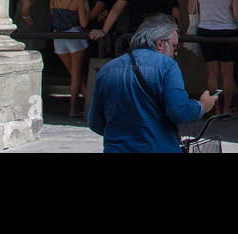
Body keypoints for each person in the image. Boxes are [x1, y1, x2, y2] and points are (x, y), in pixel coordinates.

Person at [87, 14, 217, 153]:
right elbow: (179, 111)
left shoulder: (107, 70)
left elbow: (95, 122)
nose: (175, 52)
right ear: (160, 44)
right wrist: (203, 106)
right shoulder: (167, 66)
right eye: (174, 46)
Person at [189, 0, 238, 113]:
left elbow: (191, 9)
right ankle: (226, 108)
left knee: (212, 73)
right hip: (227, 31)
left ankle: (215, 108)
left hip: (206, 30)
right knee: (227, 73)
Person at [48, 0, 90, 116]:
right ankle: (74, 109)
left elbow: (52, 19)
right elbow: (84, 23)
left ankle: (88, 103)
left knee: (73, 73)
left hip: (58, 37)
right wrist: (86, 6)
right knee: (77, 72)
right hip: (74, 36)